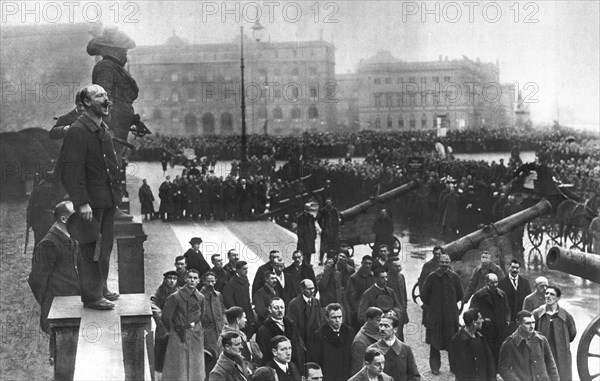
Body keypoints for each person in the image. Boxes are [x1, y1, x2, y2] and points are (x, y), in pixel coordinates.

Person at [60, 84, 121, 308]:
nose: (106, 100)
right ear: (86, 102)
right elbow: (71, 170)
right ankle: (92, 295)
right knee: (90, 247)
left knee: (105, 247)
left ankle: (101, 287)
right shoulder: (78, 130)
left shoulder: (102, 127)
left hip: (107, 199)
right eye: (99, 96)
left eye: (106, 95)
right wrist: (81, 202)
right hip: (91, 202)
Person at [27, 201, 80, 362]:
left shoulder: (68, 237)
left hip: (71, 307)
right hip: (59, 311)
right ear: (64, 219)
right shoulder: (49, 243)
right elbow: (36, 280)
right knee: (63, 360)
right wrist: (49, 304)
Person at [87, 27, 138, 158]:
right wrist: (106, 126)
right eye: (124, 51)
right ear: (114, 51)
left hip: (119, 124)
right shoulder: (106, 67)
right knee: (110, 164)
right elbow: (102, 97)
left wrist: (130, 117)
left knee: (115, 163)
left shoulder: (114, 68)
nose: (126, 56)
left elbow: (120, 99)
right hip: (112, 128)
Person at [421, 254, 463, 375]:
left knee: (453, 341)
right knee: (435, 342)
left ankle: (454, 366)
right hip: (435, 315)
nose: (444, 265)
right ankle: (435, 367)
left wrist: (450, 304)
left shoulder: (455, 277)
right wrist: (435, 305)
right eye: (442, 262)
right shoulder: (431, 277)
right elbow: (424, 295)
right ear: (439, 263)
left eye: (446, 262)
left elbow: (460, 294)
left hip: (451, 315)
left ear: (449, 263)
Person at [162, 269, 206, 380]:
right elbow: (166, 317)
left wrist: (195, 327)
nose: (192, 280)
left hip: (195, 334)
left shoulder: (200, 297)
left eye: (195, 278)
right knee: (179, 366)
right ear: (186, 279)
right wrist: (176, 329)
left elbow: (201, 315)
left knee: (196, 366)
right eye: (190, 277)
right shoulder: (175, 297)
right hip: (178, 334)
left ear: (199, 281)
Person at [499, 310, 559, 381]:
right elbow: (504, 369)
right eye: (528, 323)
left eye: (533, 322)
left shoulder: (541, 340)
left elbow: (551, 365)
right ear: (518, 323)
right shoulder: (509, 344)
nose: (532, 326)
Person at [533, 286, 577, 381]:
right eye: (546, 293)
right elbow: (529, 332)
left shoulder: (565, 315)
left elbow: (572, 333)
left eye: (551, 294)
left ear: (557, 298)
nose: (548, 296)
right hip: (542, 353)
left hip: (561, 354)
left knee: (562, 375)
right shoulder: (537, 314)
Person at [470, 273, 511, 367]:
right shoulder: (479, 295)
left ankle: (495, 370)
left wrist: (507, 320)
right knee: (486, 351)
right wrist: (482, 320)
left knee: (498, 350)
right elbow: (472, 310)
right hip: (486, 329)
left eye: (496, 282)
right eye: (492, 283)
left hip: (499, 328)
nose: (495, 285)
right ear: (486, 282)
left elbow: (507, 309)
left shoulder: (502, 294)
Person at [308, 303, 354, 381]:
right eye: (334, 317)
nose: (338, 320)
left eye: (340, 317)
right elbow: (316, 360)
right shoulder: (319, 335)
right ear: (327, 318)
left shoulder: (349, 332)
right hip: (329, 376)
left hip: (347, 375)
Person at [256, 298, 305, 371]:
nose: (280, 310)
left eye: (282, 307)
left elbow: (298, 348)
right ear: (270, 309)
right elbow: (265, 356)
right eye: (276, 308)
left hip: (294, 368)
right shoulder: (263, 330)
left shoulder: (292, 325)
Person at [367, 315, 420, 381]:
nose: (382, 329)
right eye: (381, 325)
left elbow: (414, 376)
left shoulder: (405, 349)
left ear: (395, 329)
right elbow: (367, 376)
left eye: (386, 326)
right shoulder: (372, 350)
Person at [448, 308, 496, 381]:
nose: (482, 320)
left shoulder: (480, 338)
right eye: (480, 318)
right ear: (474, 322)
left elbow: (489, 362)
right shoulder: (456, 341)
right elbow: (455, 367)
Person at [150, 270, 180, 374]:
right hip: (163, 326)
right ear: (165, 279)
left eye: (175, 279)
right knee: (161, 352)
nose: (172, 281)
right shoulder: (159, 292)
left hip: (177, 326)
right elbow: (154, 306)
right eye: (170, 278)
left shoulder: (180, 292)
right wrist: (162, 320)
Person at [218, 307, 262, 371]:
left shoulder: (240, 334)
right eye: (244, 317)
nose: (246, 320)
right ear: (238, 320)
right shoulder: (227, 338)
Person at [222, 261, 258, 335]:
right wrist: (238, 315)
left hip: (248, 314)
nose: (246, 271)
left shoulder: (245, 280)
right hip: (239, 317)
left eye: (247, 269)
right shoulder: (231, 285)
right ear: (237, 270)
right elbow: (230, 304)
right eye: (244, 269)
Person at [287, 279, 324, 348]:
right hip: (302, 341)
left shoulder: (316, 302)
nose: (312, 291)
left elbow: (320, 320)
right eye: (309, 289)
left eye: (313, 288)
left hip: (315, 340)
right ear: (302, 289)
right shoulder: (294, 304)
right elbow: (291, 325)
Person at [200, 271, 227, 360]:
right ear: (203, 281)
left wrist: (224, 323)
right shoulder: (199, 296)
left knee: (220, 354)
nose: (210, 284)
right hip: (206, 331)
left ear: (215, 281)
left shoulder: (218, 295)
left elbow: (223, 310)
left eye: (212, 281)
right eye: (208, 281)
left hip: (219, 330)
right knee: (209, 357)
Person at [498, 259, 531, 330]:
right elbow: (499, 303)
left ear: (519, 269)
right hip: (507, 320)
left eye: (517, 268)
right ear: (509, 267)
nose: (515, 270)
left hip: (522, 320)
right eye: (512, 267)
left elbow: (529, 300)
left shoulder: (525, 283)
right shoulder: (501, 283)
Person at [351, 307, 383, 375]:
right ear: (369, 320)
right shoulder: (360, 342)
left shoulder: (381, 333)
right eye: (378, 320)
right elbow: (358, 371)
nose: (382, 323)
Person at [347, 255, 375, 332]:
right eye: (365, 263)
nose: (367, 266)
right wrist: (360, 312)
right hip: (358, 314)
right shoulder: (354, 278)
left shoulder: (372, 277)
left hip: (372, 314)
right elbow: (351, 297)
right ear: (362, 263)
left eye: (370, 264)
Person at [417, 246, 442, 324]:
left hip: (441, 298)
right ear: (433, 254)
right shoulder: (427, 265)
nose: (437, 256)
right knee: (429, 322)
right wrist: (423, 297)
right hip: (429, 298)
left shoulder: (445, 266)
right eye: (435, 254)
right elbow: (421, 282)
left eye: (439, 254)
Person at [387, 257, 408, 340]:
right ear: (390, 266)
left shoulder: (401, 277)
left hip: (401, 310)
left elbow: (404, 294)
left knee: (400, 332)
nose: (398, 268)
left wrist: (404, 307)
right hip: (393, 311)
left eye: (399, 266)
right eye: (396, 266)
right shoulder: (387, 278)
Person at [316, 197, 340, 265]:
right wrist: (323, 227)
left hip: (332, 231)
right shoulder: (323, 210)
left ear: (331, 203)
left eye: (329, 202)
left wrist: (336, 229)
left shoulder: (334, 210)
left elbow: (337, 220)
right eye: (327, 202)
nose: (328, 204)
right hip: (325, 231)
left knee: (331, 246)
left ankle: (328, 259)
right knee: (323, 247)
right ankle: (321, 260)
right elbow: (319, 220)